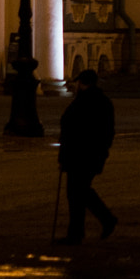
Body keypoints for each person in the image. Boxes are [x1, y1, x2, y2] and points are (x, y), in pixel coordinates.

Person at [58, 69, 118, 244]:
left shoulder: (83, 102)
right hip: (91, 154)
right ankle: (85, 228)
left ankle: (82, 230)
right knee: (80, 192)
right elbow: (108, 131)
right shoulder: (103, 102)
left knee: (77, 193)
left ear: (81, 83)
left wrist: (64, 156)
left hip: (80, 155)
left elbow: (72, 129)